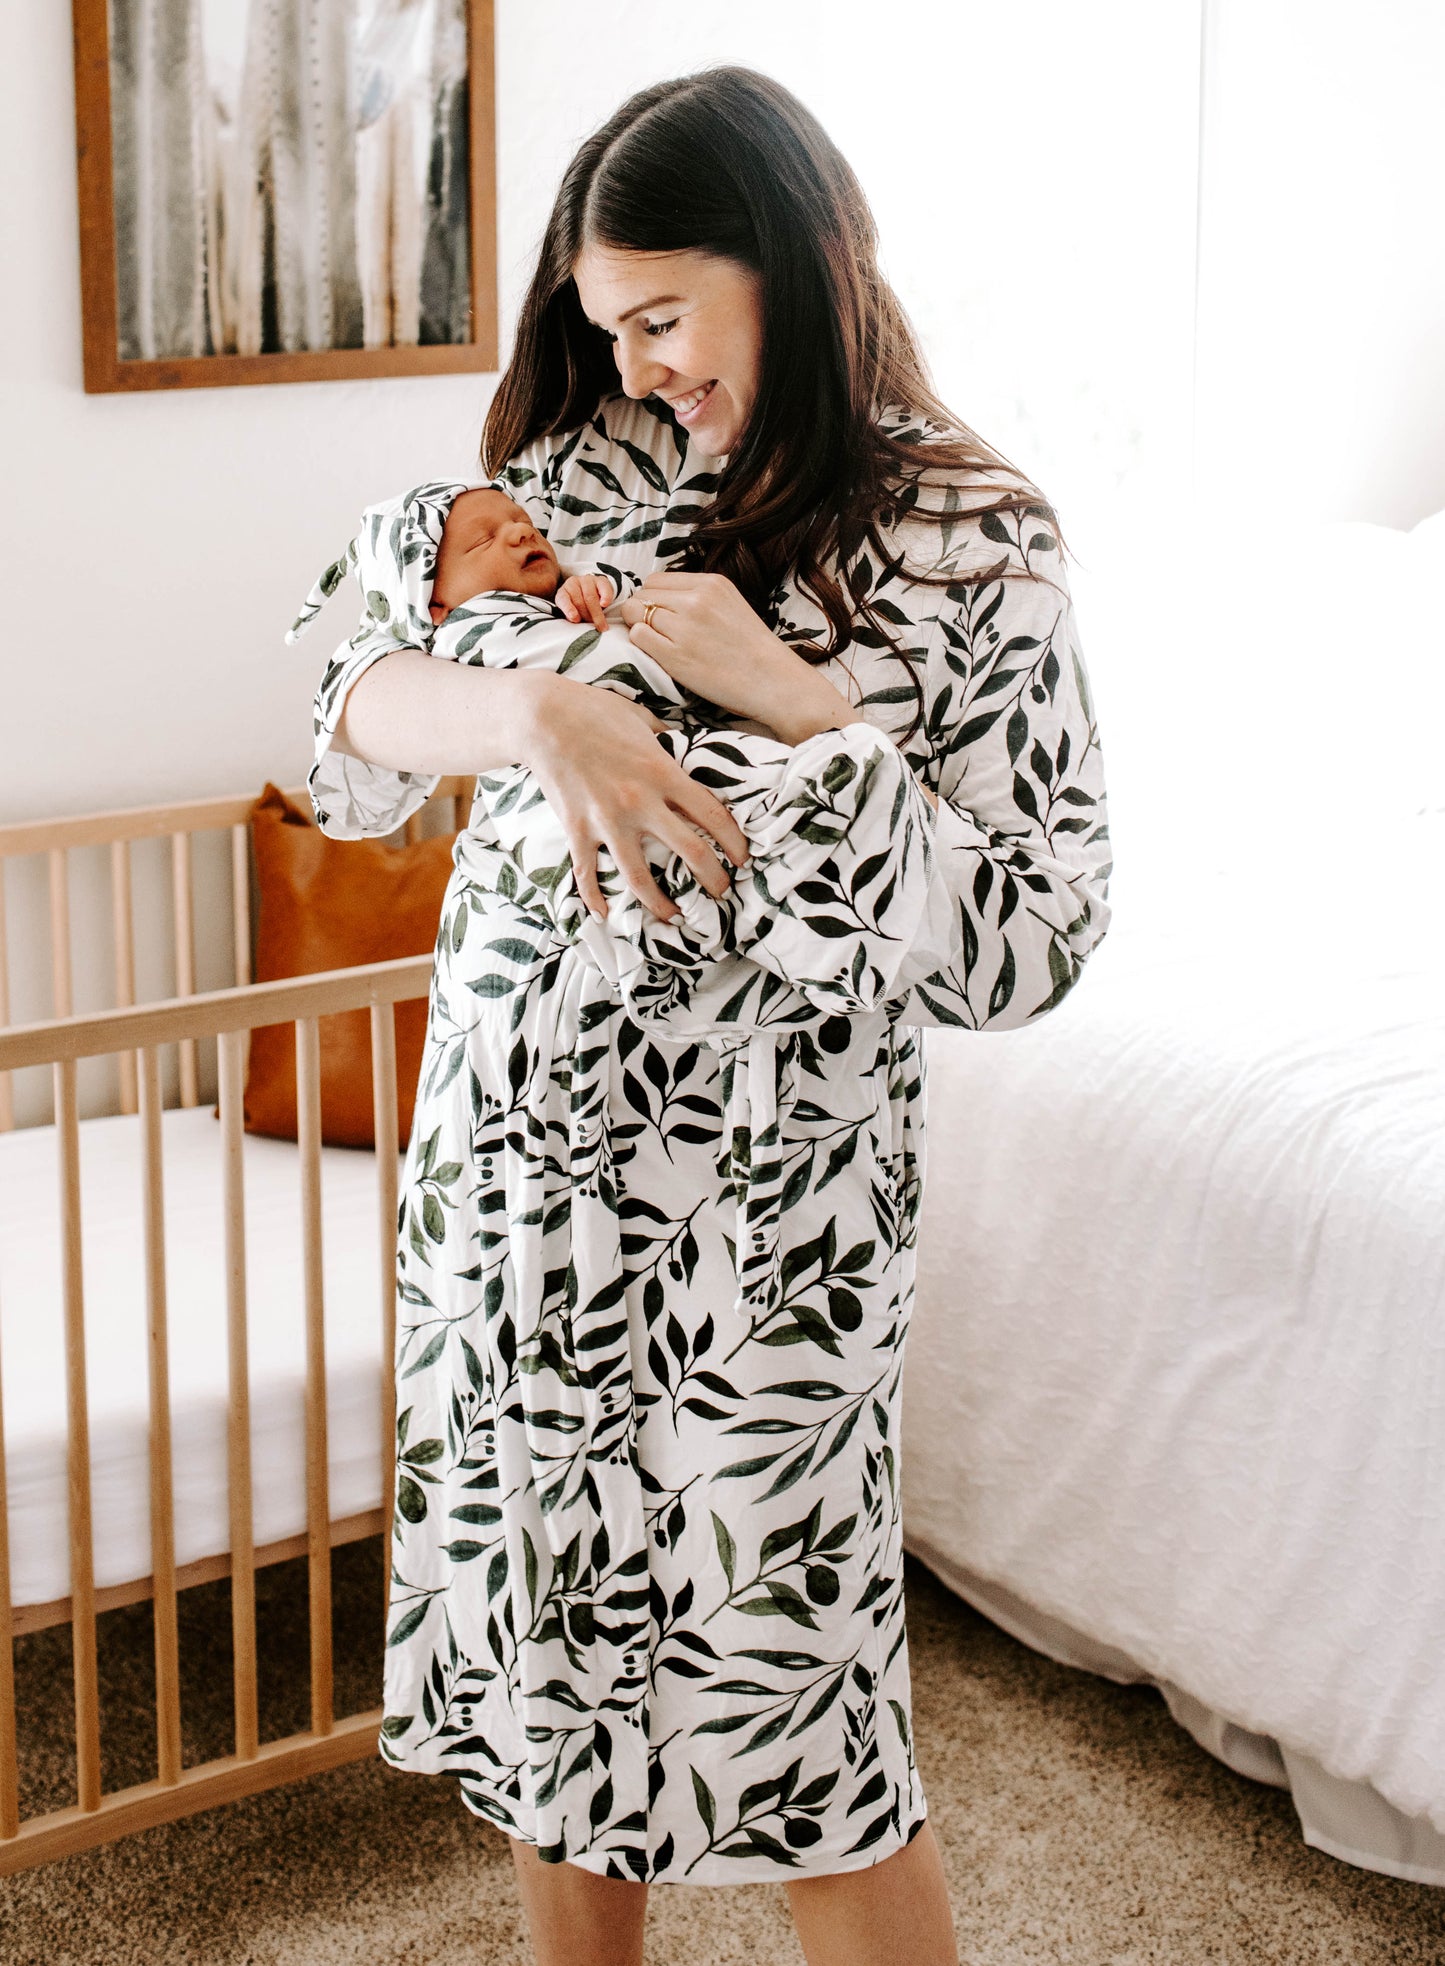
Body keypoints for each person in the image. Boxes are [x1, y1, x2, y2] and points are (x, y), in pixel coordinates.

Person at [307, 64, 1112, 1966]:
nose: (638, 365)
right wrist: (533, 714)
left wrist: (799, 710)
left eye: (665, 316)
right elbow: (346, 706)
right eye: (608, 326)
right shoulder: (577, 470)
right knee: (549, 1680)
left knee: (799, 1705)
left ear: (800, 261)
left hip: (771, 1222)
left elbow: (1026, 940)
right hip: (515, 1175)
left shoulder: (972, 538)